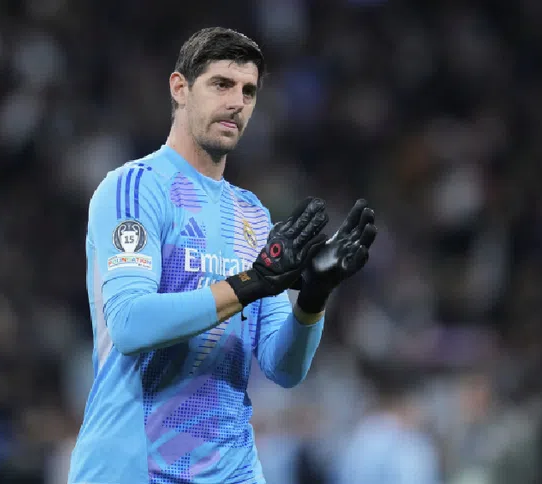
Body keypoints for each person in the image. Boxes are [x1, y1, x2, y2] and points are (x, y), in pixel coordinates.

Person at [68, 26, 377, 484]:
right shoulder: (134, 188)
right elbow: (130, 324)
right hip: (135, 469)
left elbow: (283, 368)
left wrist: (313, 298)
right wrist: (250, 283)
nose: (237, 102)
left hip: (232, 471)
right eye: (221, 84)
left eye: (248, 91)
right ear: (180, 88)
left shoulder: (251, 214)